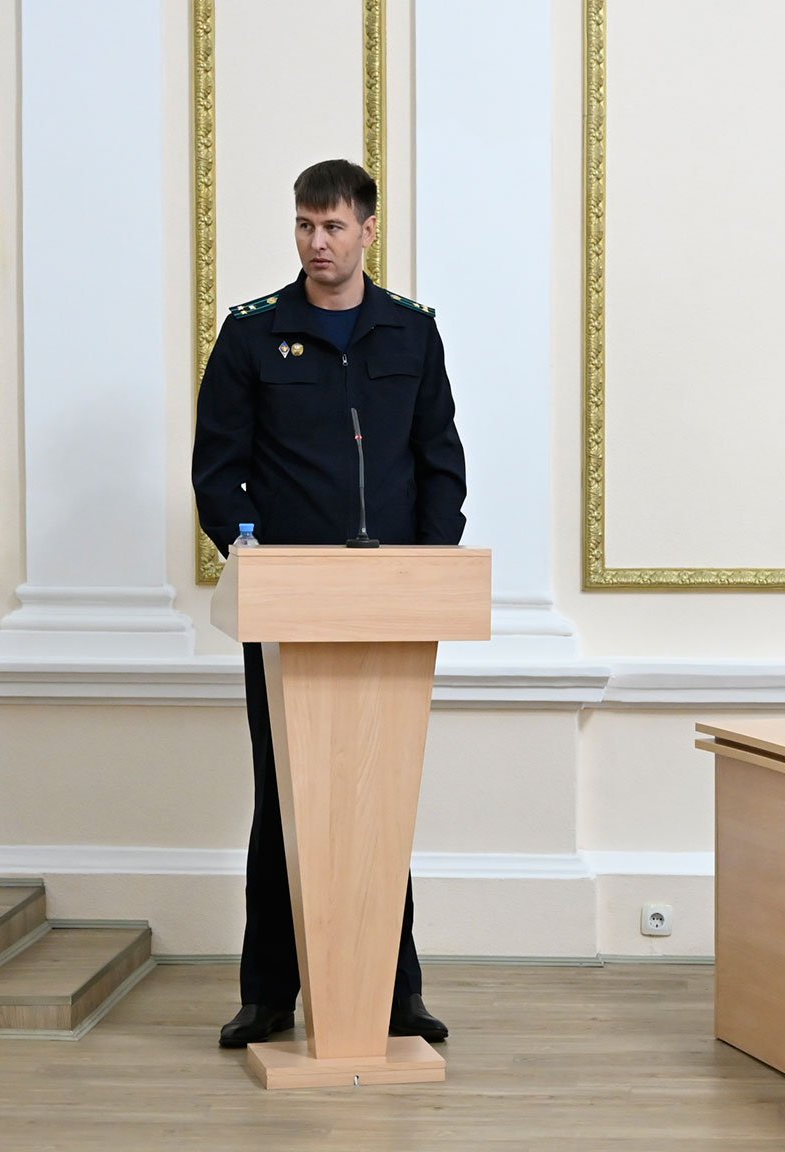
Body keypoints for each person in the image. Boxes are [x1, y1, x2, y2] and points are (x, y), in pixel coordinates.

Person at [192, 159, 465, 1049]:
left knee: (381, 795)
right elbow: (217, 468)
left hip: (390, 605)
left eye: (334, 226)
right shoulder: (253, 334)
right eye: (306, 226)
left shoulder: (411, 333)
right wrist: (247, 548)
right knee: (286, 795)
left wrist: (430, 570)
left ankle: (394, 995)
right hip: (286, 607)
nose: (318, 243)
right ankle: (268, 994)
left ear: (368, 231)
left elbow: (440, 462)